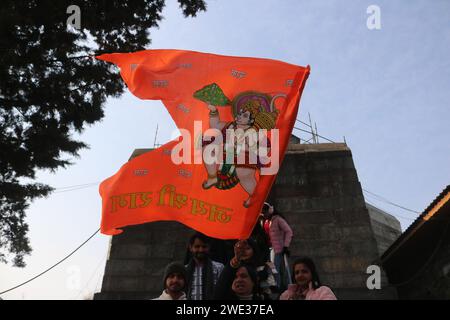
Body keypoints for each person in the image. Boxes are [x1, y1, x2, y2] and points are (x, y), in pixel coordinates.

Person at [185, 232, 224, 300]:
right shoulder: (184, 270)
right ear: (190, 248)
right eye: (197, 246)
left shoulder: (219, 268)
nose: (201, 250)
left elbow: (223, 291)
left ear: (209, 247)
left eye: (204, 246)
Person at [263, 202, 293, 291]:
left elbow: (289, 231)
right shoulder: (266, 221)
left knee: (276, 268)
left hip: (278, 248)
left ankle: (279, 287)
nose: (264, 214)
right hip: (270, 248)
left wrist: (285, 246)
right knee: (273, 269)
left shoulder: (278, 219)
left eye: (265, 212)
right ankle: (277, 286)